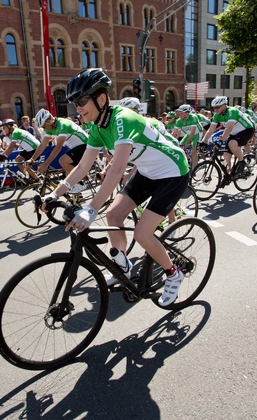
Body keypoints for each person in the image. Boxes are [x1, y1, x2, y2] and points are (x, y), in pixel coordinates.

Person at [41, 68, 190, 306]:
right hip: (147, 172)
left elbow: (118, 168)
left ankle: (173, 274)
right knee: (113, 215)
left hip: (172, 172)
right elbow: (81, 168)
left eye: (81, 101)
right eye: (74, 104)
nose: (77, 109)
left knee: (142, 233)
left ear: (101, 99)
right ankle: (124, 266)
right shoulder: (97, 128)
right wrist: (54, 193)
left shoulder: (123, 118)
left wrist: (90, 211)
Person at [201, 96, 255, 180]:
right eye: (213, 108)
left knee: (231, 144)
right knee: (226, 155)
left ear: (224, 105)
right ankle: (227, 175)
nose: (215, 110)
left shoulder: (232, 111)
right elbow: (211, 129)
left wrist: (221, 141)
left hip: (247, 130)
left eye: (217, 108)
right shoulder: (217, 115)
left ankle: (242, 162)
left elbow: (229, 128)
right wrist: (203, 141)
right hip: (234, 133)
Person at [34, 109, 88, 188]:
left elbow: (58, 147)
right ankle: (78, 198)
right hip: (75, 147)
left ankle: (80, 183)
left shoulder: (62, 124)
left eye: (44, 126)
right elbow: (43, 144)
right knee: (68, 174)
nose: (44, 129)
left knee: (63, 161)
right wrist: (32, 159)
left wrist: (46, 164)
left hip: (85, 144)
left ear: (49, 121)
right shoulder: (50, 128)